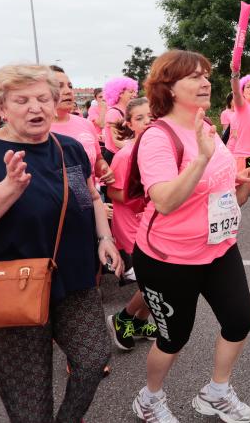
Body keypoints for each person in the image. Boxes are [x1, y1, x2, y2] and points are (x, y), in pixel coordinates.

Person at [0, 64, 122, 423]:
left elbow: (90, 198)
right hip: (9, 288)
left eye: (43, 98)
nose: (35, 107)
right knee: (31, 404)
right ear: (0, 108)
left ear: (54, 104)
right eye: (21, 100)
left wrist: (105, 238)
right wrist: (6, 191)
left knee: (92, 358)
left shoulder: (68, 147)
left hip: (74, 279)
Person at [130, 50, 250, 423]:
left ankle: (216, 393)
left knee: (239, 321)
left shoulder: (205, 127)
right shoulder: (158, 137)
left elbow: (218, 189)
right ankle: (150, 398)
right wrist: (202, 159)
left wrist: (240, 184)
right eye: (194, 77)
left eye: (206, 74)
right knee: (174, 338)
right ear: (169, 88)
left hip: (219, 248)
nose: (205, 81)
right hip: (168, 258)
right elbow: (166, 201)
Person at [105, 97, 158, 351]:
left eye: (151, 115)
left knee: (158, 281)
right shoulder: (126, 154)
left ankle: (138, 321)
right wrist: (145, 197)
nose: (148, 121)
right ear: (130, 124)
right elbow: (113, 192)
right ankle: (123, 319)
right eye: (140, 118)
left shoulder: (159, 149)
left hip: (156, 225)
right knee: (154, 282)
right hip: (133, 227)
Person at [49, 67, 114, 192]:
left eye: (70, 86)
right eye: (59, 86)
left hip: (91, 199)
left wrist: (104, 169)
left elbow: (98, 159)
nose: (68, 91)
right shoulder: (38, 131)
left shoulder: (86, 124)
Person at [103, 77, 138, 163]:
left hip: (125, 154)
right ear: (120, 93)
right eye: (131, 92)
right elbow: (117, 142)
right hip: (115, 157)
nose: (134, 95)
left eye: (135, 92)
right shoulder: (113, 113)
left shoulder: (129, 110)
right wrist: (138, 149)